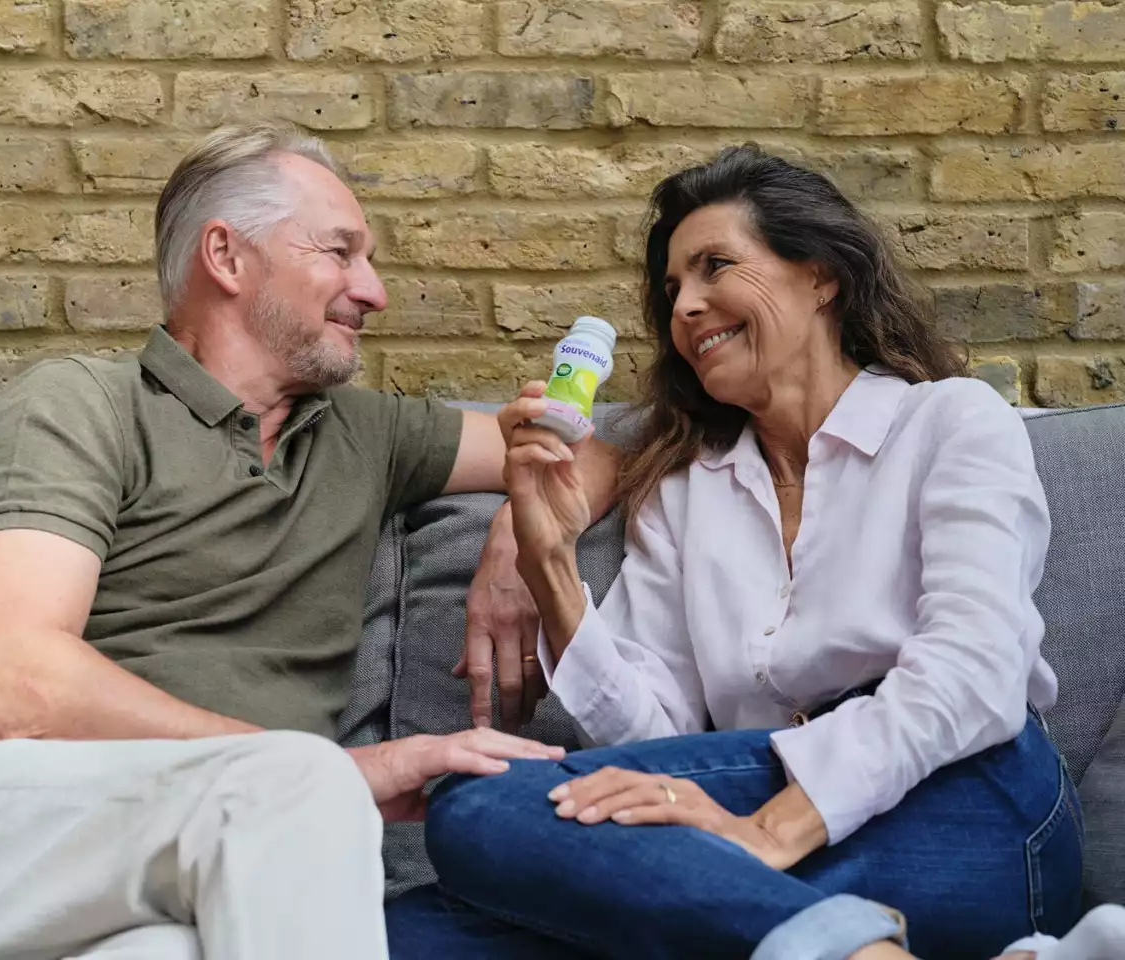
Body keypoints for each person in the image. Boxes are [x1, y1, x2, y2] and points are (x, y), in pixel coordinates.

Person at [0, 121, 621, 960]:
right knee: (300, 783)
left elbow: (599, 457)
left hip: (206, 861)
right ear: (226, 255)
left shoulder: (366, 434)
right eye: (339, 252)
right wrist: (333, 775)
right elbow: (3, 681)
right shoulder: (81, 404)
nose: (375, 291)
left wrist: (521, 535)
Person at [406, 145, 1086, 960]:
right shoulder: (689, 487)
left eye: (714, 266)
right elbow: (651, 740)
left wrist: (764, 830)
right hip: (754, 808)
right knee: (391, 934)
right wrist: (548, 564)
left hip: (970, 798)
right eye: (672, 290)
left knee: (482, 808)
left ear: (820, 275)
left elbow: (975, 673)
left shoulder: (951, 423)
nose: (687, 306)